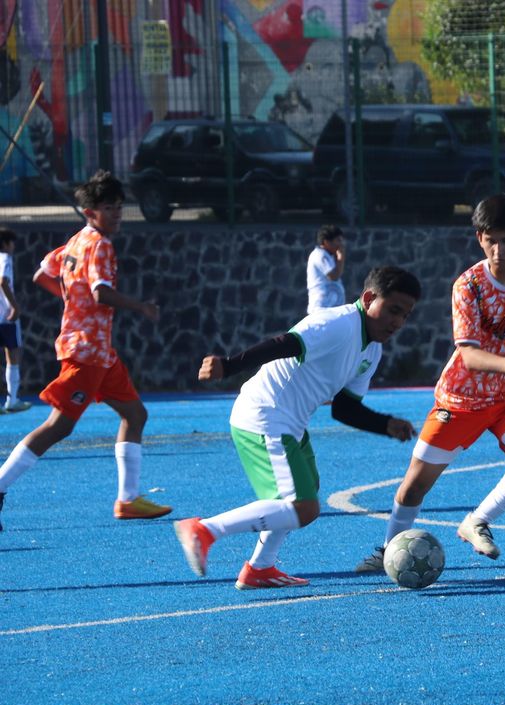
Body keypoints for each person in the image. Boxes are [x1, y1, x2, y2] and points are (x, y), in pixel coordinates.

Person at [354, 194, 505, 570]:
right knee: (415, 485)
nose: (499, 249)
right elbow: (469, 355)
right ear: (479, 239)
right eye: (490, 240)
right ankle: (389, 552)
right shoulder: (470, 286)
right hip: (462, 398)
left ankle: (476, 520)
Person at [173, 266, 422, 589]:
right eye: (394, 310)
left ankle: (261, 568)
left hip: (290, 422)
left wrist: (385, 424)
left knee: (306, 490)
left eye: (406, 315)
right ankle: (204, 530)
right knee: (302, 508)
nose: (398, 322)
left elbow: (344, 408)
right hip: (264, 415)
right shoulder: (339, 324)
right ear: (369, 298)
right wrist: (229, 366)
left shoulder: (372, 350)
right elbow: (285, 343)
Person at [0, 170, 170, 532]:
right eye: (110, 208)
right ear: (90, 212)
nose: (118, 214)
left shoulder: (74, 242)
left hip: (101, 353)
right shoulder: (101, 245)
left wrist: (70, 298)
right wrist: (141, 307)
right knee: (57, 427)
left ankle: (128, 500)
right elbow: (100, 293)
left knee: (136, 415)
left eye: (120, 207)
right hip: (86, 351)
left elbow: (42, 274)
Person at [0, 228, 31, 413]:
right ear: (6, 244)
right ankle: (12, 400)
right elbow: (3, 281)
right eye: (12, 243)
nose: (13, 247)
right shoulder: (5, 259)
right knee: (13, 355)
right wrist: (15, 306)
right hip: (6, 316)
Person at [306, 224, 346, 314]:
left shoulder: (328, 256)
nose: (340, 244)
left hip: (330, 309)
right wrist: (341, 258)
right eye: (338, 240)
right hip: (322, 308)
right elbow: (333, 276)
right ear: (326, 242)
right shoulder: (320, 256)